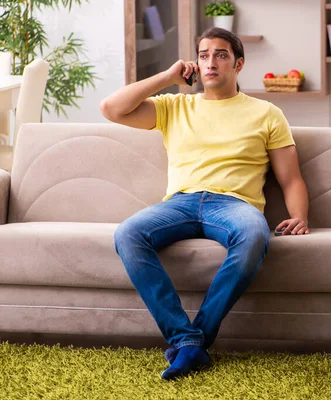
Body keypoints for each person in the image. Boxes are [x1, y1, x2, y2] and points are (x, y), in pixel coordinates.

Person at [99, 27, 310, 380]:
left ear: (238, 64)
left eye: (221, 55)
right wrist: (168, 77)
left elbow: (291, 178)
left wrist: (299, 216)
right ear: (195, 64)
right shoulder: (174, 106)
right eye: (204, 55)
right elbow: (111, 108)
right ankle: (188, 342)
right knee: (129, 234)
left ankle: (190, 343)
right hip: (180, 203)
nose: (211, 62)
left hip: (234, 205)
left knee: (254, 236)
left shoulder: (267, 113)